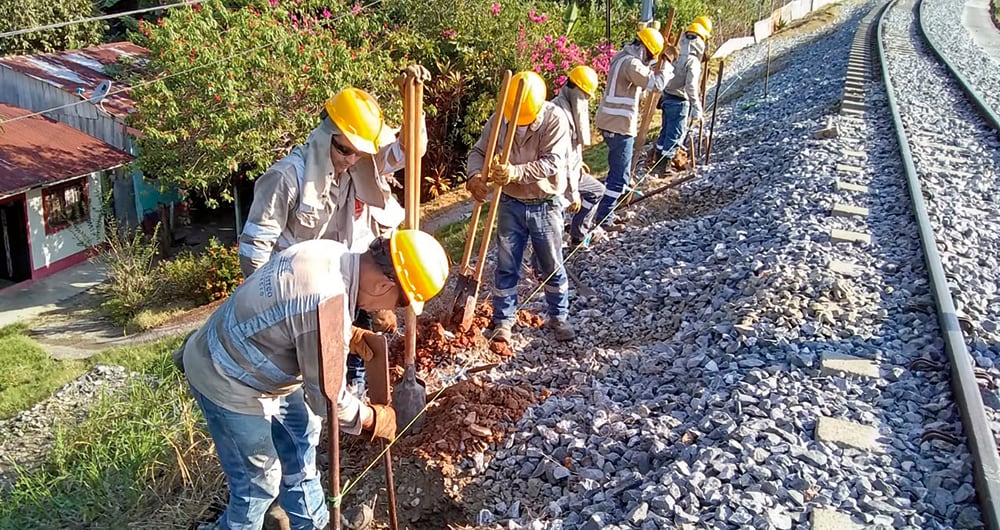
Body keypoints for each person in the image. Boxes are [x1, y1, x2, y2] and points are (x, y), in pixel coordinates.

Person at [177, 229, 450, 530]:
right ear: (383, 283)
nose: (388, 310)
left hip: (263, 365)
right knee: (258, 486)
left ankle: (317, 524)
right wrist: (372, 419)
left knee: (302, 434)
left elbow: (295, 322)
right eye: (398, 302)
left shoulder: (333, 252)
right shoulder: (323, 297)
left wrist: (348, 334)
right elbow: (327, 400)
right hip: (225, 375)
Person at [465, 71, 575, 343]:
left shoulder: (554, 119)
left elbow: (552, 162)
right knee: (506, 264)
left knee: (550, 262)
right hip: (511, 203)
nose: (518, 123)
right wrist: (475, 177)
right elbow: (479, 152)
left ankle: (558, 317)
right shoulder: (500, 119)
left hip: (545, 204)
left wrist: (515, 173)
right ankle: (503, 320)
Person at [593, 26, 673, 230]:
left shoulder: (621, 56)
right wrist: (667, 66)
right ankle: (603, 218)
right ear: (646, 49)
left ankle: (607, 211)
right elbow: (655, 84)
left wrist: (657, 62)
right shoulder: (631, 64)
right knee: (619, 177)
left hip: (609, 122)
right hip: (619, 125)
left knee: (622, 174)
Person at [550, 65, 606, 249]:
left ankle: (578, 236)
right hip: (557, 178)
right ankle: (541, 268)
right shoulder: (560, 114)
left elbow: (573, 147)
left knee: (596, 190)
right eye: (586, 96)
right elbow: (562, 158)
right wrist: (573, 194)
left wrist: (580, 162)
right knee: (551, 224)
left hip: (571, 173)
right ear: (578, 91)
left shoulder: (567, 105)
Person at [653, 21, 711, 170]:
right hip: (679, 102)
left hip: (667, 97)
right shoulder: (693, 62)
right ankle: (664, 168)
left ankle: (656, 162)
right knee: (675, 135)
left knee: (665, 131)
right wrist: (697, 108)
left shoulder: (675, 54)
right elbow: (691, 86)